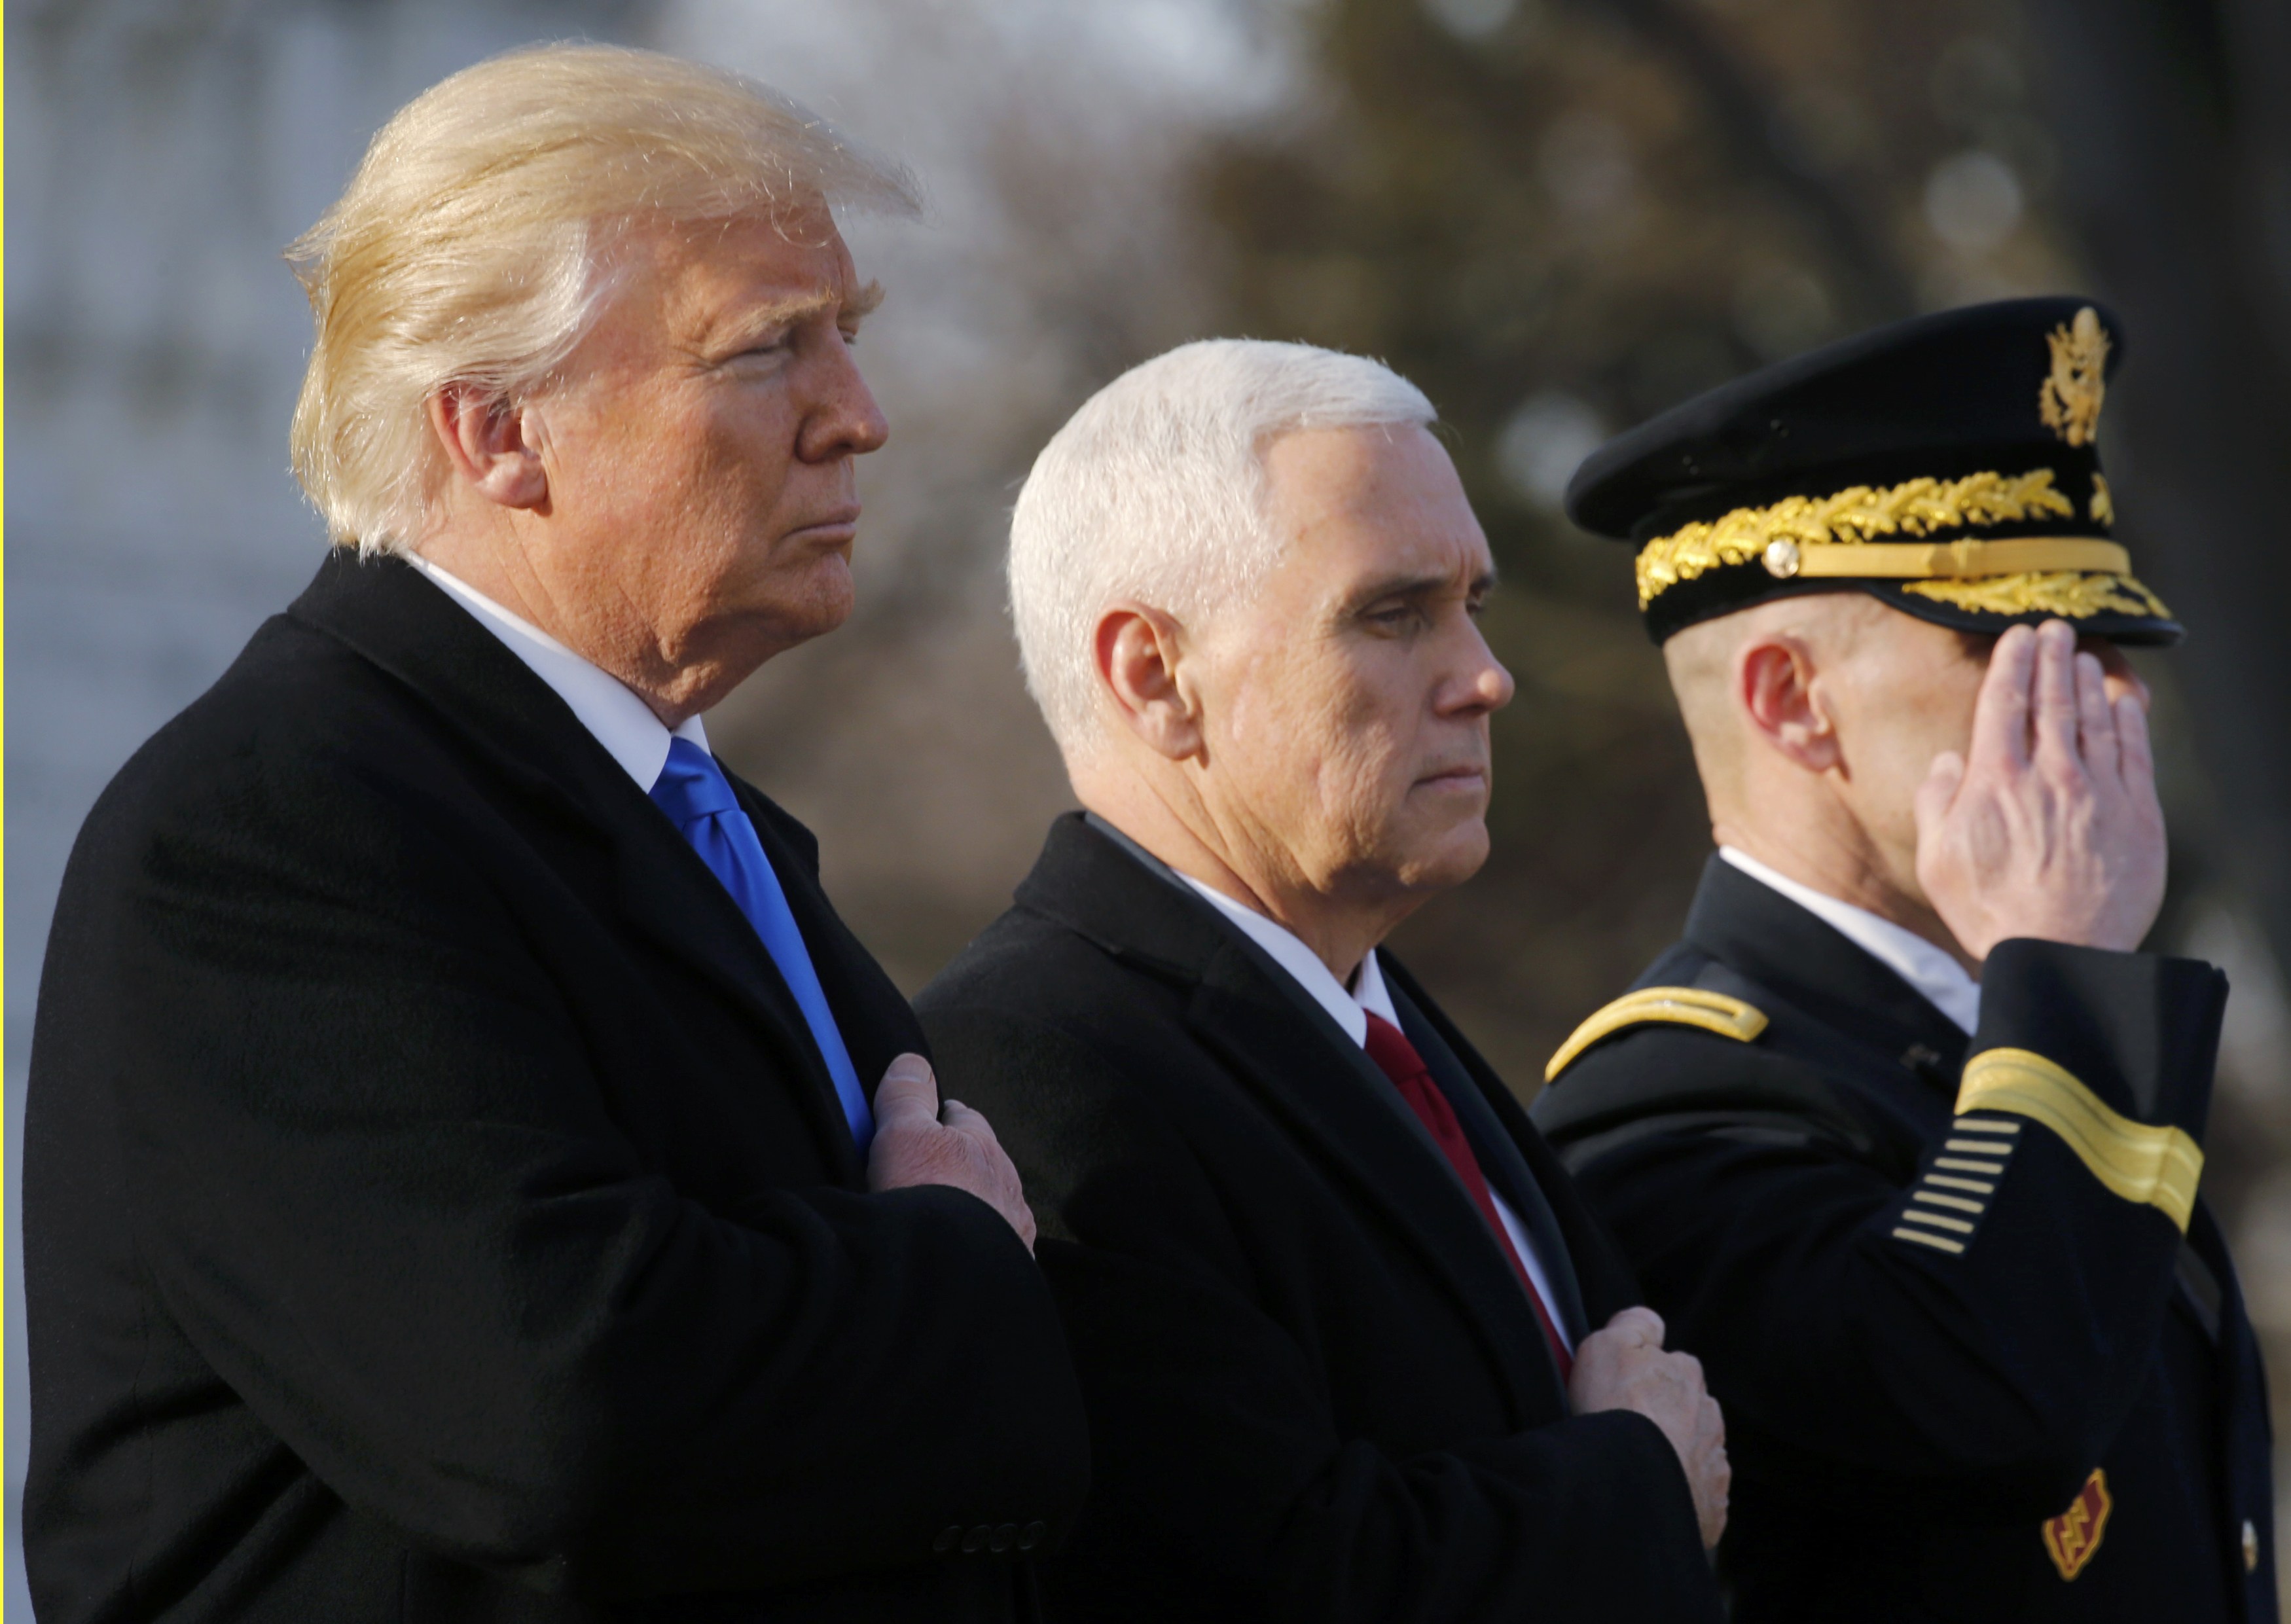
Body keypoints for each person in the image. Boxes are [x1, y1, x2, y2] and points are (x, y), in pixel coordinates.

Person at [23, 45, 1087, 1623]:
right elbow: (560, 1404)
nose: (856, 415)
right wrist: (948, 1255)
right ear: (497, 431)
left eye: (846, 335)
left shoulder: (705, 830)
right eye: (763, 349)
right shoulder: (270, 829)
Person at [914, 339, 1729, 1622]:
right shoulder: (1033, 1069)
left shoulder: (1373, 1013)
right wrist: (1628, 1484)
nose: (1484, 675)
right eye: (1392, 613)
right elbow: (1262, 1581)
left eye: (1474, 603)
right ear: (1153, 675)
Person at [1531, 298, 2274, 1621]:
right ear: (1790, 701)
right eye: (2013, 650)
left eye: (2105, 647)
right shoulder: (1668, 1108)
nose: (2107, 699)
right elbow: (1985, 1409)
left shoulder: (2004, 1034)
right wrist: (2063, 966)